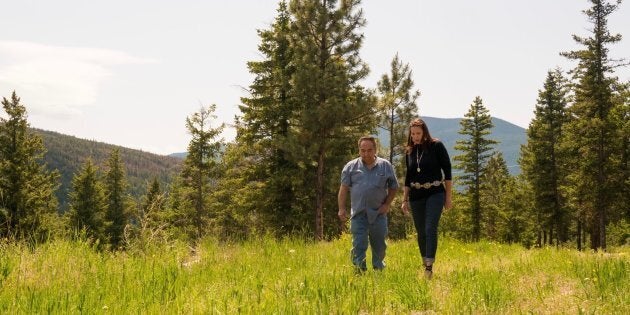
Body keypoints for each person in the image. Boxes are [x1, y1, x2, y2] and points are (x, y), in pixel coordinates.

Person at [401, 118, 452, 279]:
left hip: (435, 193)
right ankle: (425, 262)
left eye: (418, 133)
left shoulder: (436, 146)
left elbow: (448, 173)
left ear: (425, 133)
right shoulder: (409, 151)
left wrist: (448, 198)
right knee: (421, 231)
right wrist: (404, 200)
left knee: (430, 228)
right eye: (413, 133)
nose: (415, 136)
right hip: (416, 196)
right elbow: (408, 178)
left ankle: (429, 267)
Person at [338, 136, 398, 272]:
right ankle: (359, 271)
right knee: (359, 244)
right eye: (363, 150)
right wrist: (341, 209)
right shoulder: (351, 167)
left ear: (375, 149)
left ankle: (378, 270)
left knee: (379, 246)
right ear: (359, 150)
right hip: (358, 214)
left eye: (369, 150)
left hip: (378, 214)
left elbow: (394, 187)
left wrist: (387, 204)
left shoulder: (385, 165)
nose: (366, 153)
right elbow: (343, 189)